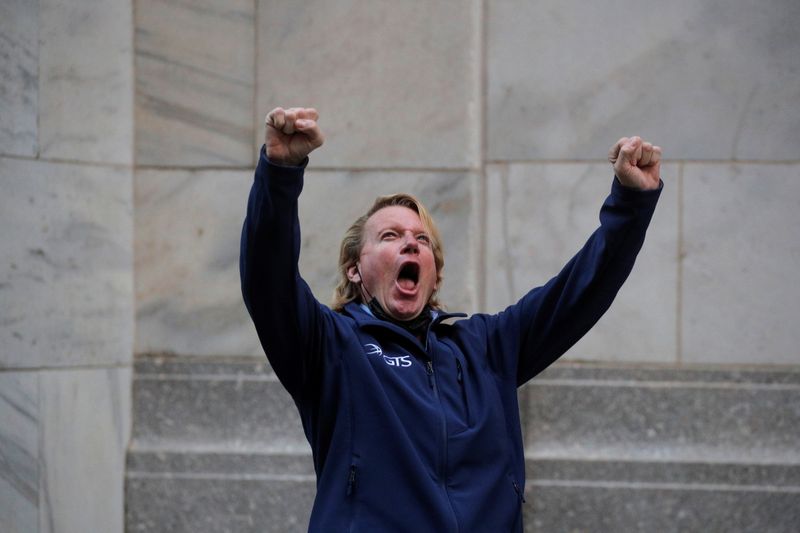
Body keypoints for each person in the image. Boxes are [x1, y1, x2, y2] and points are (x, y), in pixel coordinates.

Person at [240, 107, 663, 532]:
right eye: (390, 236)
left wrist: (632, 204)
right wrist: (280, 171)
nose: (410, 243)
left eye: (421, 240)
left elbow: (580, 293)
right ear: (355, 269)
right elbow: (267, 276)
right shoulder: (330, 345)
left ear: (434, 272)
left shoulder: (486, 346)